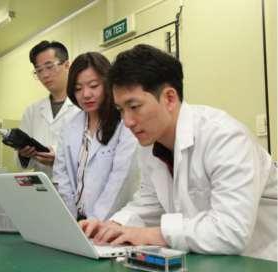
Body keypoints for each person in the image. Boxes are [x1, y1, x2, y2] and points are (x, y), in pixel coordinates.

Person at [79, 44, 277, 260]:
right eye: (120, 110)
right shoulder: (150, 145)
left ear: (170, 98)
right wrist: (114, 226)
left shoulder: (225, 138)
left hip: (261, 259)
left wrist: (152, 234)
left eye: (134, 106)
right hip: (210, 259)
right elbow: (149, 203)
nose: (127, 122)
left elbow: (231, 231)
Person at [53, 52, 139, 222]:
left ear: (108, 85)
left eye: (93, 86)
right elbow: (61, 174)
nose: (85, 94)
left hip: (111, 222)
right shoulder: (69, 123)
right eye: (78, 88)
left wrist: (94, 221)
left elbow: (120, 180)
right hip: (75, 220)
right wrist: (72, 222)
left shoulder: (125, 123)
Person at [13, 41, 80, 179]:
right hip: (43, 191)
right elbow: (20, 162)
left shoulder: (83, 105)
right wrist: (24, 155)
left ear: (66, 65)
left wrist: (59, 157)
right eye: (39, 70)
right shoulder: (32, 111)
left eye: (49, 67)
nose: (45, 75)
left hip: (77, 191)